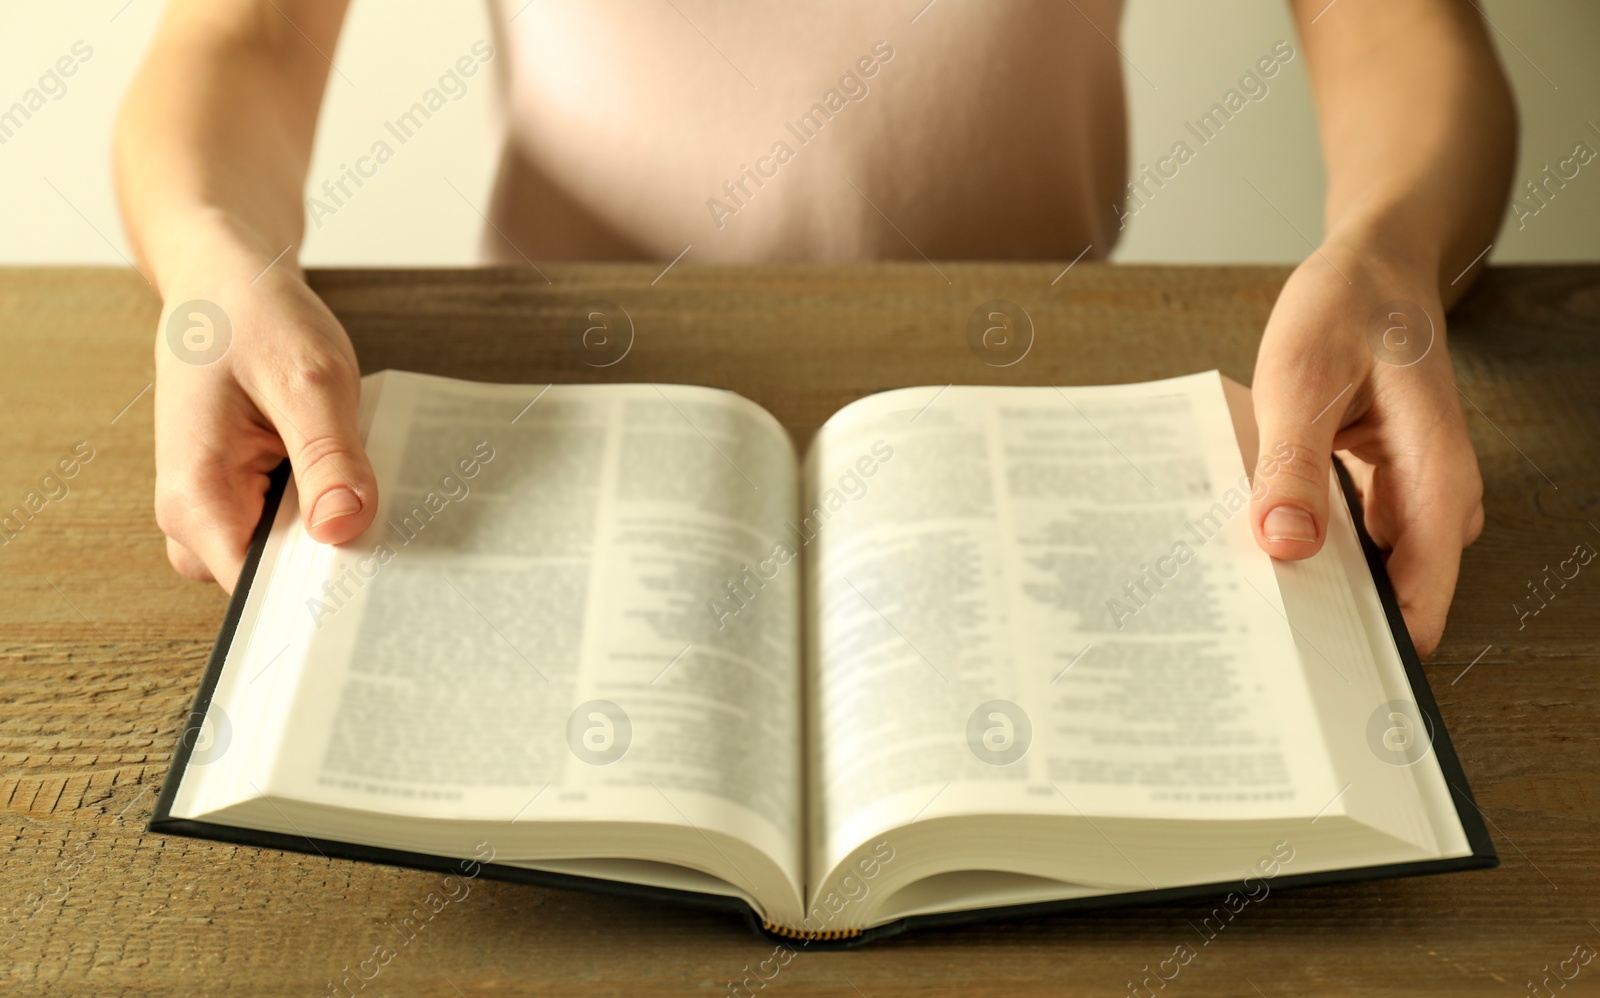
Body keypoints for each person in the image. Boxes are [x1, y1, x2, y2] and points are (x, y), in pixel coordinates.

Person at [114, 0, 1515, 655]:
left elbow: (1405, 31)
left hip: (1054, 423)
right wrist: (208, 262)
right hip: (536, 424)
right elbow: (239, 40)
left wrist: (1388, 248)